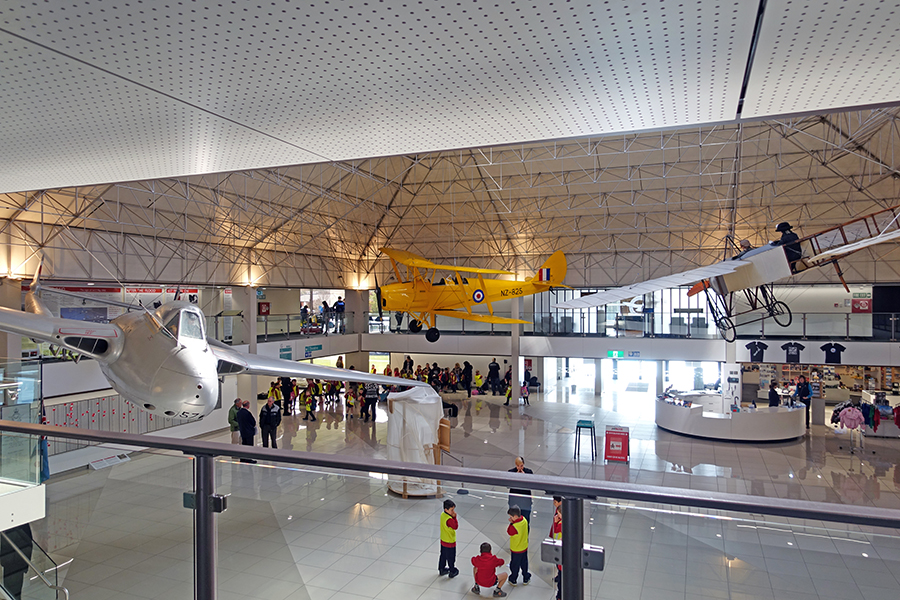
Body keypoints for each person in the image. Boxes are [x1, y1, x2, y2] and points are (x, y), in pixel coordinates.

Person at [0, 523, 33, 599]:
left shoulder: (15, 530)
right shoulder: (22, 526)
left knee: (12, 590)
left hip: (14, 563)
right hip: (16, 562)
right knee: (12, 591)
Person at [506, 506, 531, 586]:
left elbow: (509, 532)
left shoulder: (514, 526)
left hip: (516, 549)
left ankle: (513, 579)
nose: (510, 518)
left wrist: (511, 523)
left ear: (515, 516)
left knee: (514, 565)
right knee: (524, 563)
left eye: (511, 517)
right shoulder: (524, 520)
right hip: (524, 546)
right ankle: (526, 577)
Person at [507, 457, 533, 525]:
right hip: (514, 501)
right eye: (518, 466)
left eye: (521, 466)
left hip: (525, 502)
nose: (520, 468)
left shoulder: (528, 472)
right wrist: (516, 476)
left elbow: (531, 485)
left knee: (526, 521)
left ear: (523, 464)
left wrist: (525, 477)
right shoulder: (511, 472)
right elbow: (508, 485)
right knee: (514, 521)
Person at [438, 499, 460, 578]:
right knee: (451, 557)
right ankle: (452, 570)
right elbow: (455, 527)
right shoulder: (450, 520)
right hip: (450, 541)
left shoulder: (442, 515)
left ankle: (442, 569)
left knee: (443, 555)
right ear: (446, 509)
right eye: (451, 510)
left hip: (443, 539)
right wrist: (455, 518)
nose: (453, 512)